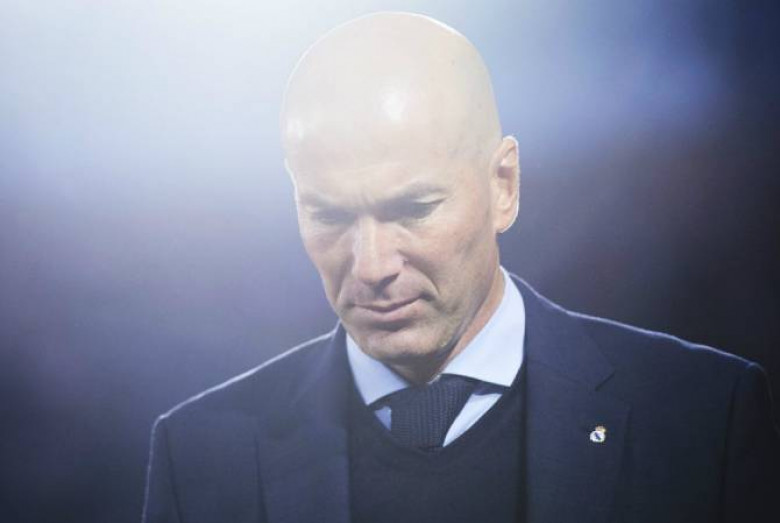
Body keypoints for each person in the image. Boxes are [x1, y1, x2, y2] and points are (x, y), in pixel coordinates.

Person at [142, 12, 780, 523]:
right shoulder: (199, 458)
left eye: (413, 209)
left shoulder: (704, 419)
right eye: (329, 215)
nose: (371, 265)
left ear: (504, 186)